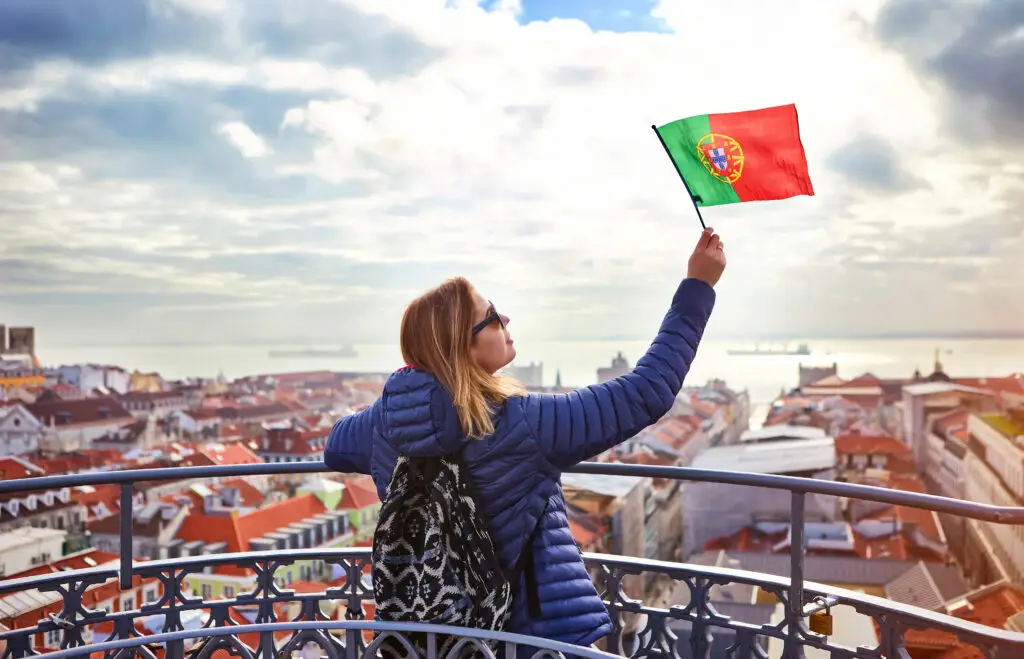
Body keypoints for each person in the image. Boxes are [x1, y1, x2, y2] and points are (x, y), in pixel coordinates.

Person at [325, 227, 726, 654]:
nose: (506, 321)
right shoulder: (520, 420)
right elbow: (644, 393)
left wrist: (403, 398)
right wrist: (697, 287)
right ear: (465, 344)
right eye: (493, 316)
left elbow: (335, 446)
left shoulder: (383, 424)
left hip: (441, 636)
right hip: (535, 638)